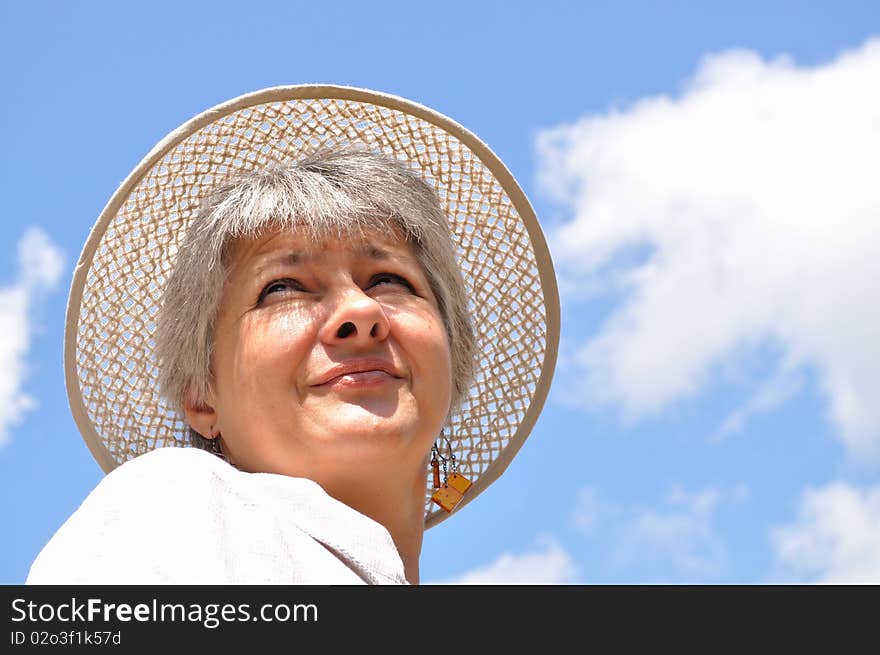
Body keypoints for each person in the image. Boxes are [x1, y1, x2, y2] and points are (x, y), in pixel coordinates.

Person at [27, 86, 559, 585]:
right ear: (200, 396)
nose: (360, 310)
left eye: (390, 280)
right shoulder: (169, 506)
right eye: (282, 289)